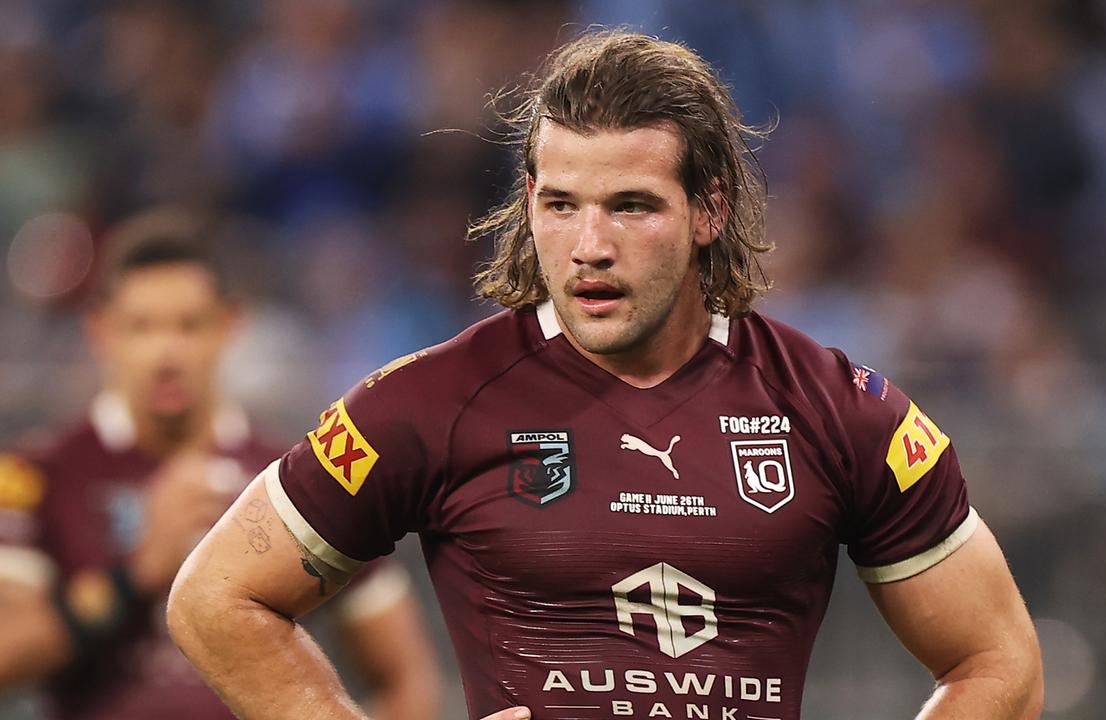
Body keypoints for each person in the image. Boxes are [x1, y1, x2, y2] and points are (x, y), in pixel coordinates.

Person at [168, 30, 1043, 720]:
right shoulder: (426, 404)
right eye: (560, 205)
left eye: (631, 206)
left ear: (709, 210)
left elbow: (999, 660)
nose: (590, 247)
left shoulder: (840, 412)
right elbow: (217, 599)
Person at [0, 209, 442, 720]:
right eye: (142, 327)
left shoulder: (298, 476)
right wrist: (134, 574)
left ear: (229, 326)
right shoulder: (40, 475)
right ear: (100, 332)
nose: (166, 352)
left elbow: (405, 675)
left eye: (188, 325)